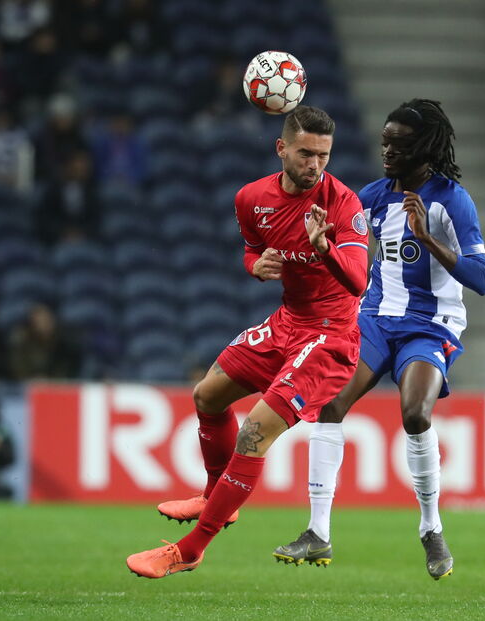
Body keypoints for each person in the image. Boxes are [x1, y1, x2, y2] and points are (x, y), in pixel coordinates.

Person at [126, 105, 370, 578]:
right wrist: (255, 267)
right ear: (281, 148)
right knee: (207, 395)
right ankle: (216, 496)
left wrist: (325, 248)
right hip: (287, 323)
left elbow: (358, 281)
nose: (315, 165)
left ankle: (190, 549)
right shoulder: (251, 199)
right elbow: (252, 250)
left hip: (330, 336)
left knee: (254, 432)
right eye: (305, 153)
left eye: (323, 156)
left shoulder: (343, 205)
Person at [272, 99, 485, 580]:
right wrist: (314, 247)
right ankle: (318, 532)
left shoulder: (451, 201)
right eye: (385, 142)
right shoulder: (370, 197)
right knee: (329, 403)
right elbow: (335, 243)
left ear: (424, 149)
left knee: (415, 414)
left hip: (430, 324)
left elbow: (482, 278)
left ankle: (431, 528)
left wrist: (429, 239)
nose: (387, 152)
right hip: (373, 318)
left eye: (399, 145)